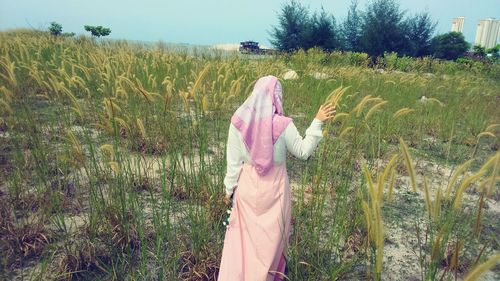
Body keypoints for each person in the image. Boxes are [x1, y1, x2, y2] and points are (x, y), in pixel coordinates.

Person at [218, 75, 335, 281]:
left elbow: (233, 163)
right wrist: (317, 122)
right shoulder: (283, 124)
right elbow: (303, 151)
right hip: (275, 191)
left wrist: (229, 191)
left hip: (246, 189)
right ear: (277, 96)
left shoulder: (239, 122)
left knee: (242, 242)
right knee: (270, 243)